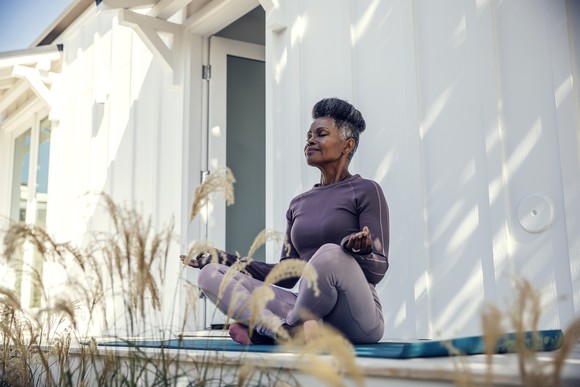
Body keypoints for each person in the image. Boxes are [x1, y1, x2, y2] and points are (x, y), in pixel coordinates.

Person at [181, 97, 389, 345]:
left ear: (347, 145)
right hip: (309, 314)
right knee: (211, 274)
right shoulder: (299, 203)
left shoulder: (366, 190)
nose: (310, 141)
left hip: (357, 318)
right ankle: (284, 331)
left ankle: (282, 331)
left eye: (321, 134)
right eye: (308, 136)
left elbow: (378, 270)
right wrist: (222, 258)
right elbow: (286, 274)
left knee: (330, 253)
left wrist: (362, 251)